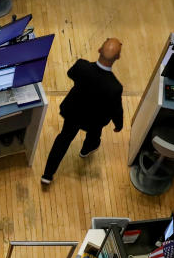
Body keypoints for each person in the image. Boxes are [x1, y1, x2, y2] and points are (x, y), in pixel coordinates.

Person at [41, 38, 124, 185]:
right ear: (118, 57)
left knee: (63, 139)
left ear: (99, 50)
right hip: (95, 120)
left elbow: (70, 73)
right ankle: (85, 151)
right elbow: (116, 109)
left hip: (74, 113)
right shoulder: (115, 86)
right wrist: (119, 124)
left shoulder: (81, 66)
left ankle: (47, 175)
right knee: (94, 136)